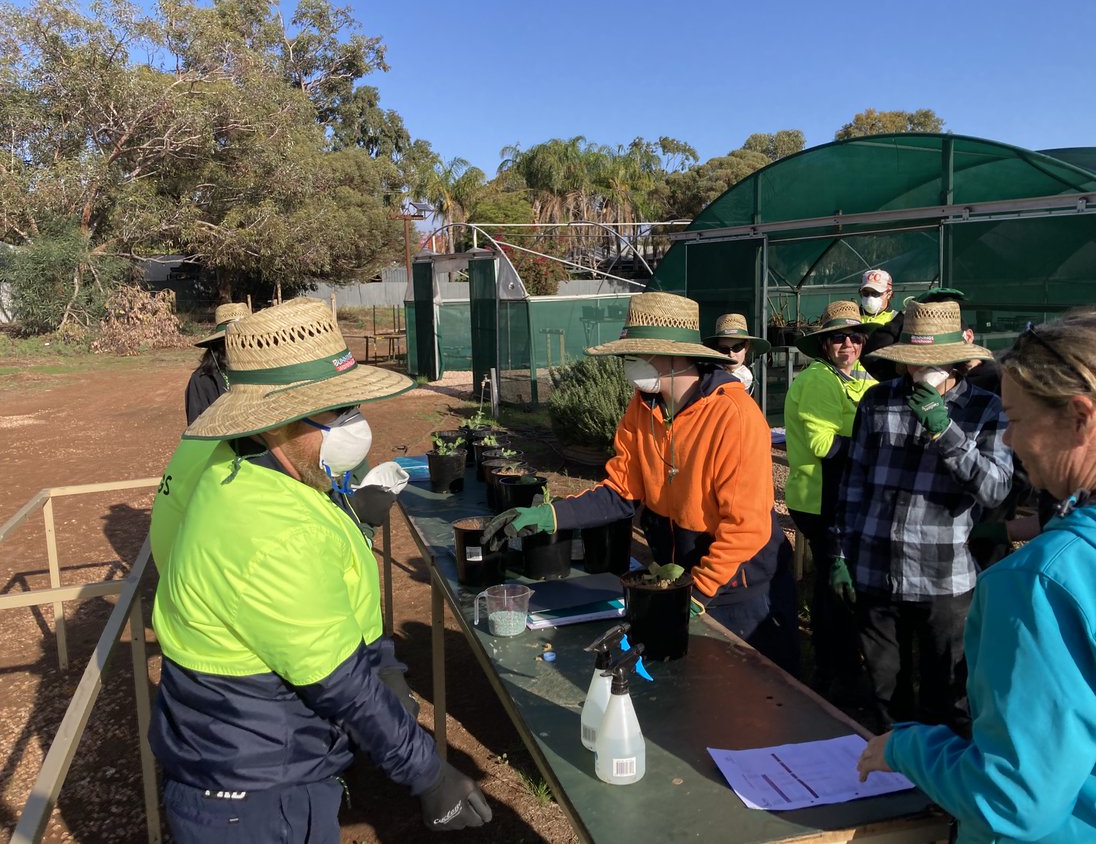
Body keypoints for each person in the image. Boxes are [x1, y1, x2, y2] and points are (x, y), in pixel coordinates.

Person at [149, 297, 491, 842]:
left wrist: (382, 659)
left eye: (352, 406)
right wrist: (429, 774)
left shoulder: (250, 471)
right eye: (336, 412)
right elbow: (342, 687)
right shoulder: (275, 531)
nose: (354, 425)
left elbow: (326, 591)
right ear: (276, 421)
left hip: (240, 750)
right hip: (257, 791)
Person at [858, 313, 1096, 842]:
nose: (1010, 439)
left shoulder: (1049, 581)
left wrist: (908, 748)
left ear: (1080, 417)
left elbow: (1013, 800)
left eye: (1016, 420)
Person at [482, 292, 801, 676]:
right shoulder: (643, 406)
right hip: (682, 572)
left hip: (740, 586)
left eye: (634, 355)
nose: (627, 365)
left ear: (672, 355)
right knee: (689, 690)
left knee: (753, 701)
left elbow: (746, 528)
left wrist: (695, 593)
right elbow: (620, 490)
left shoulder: (734, 415)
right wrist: (549, 515)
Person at [832, 299, 1011, 734]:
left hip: (943, 576)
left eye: (930, 362)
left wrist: (944, 430)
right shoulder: (878, 401)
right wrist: (840, 551)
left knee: (947, 692)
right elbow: (854, 482)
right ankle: (892, 776)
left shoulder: (985, 410)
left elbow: (994, 488)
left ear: (956, 362)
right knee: (885, 689)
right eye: (912, 362)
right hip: (876, 567)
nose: (920, 372)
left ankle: (942, 788)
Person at [783, 301, 875, 694]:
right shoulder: (820, 380)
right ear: (824, 345)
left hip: (842, 495)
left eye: (855, 337)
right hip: (820, 498)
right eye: (839, 338)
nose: (848, 344)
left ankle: (838, 663)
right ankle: (832, 671)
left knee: (838, 582)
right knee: (833, 585)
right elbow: (823, 444)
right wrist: (880, 451)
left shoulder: (861, 378)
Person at [185, 302, 250, 424]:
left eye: (245, 340)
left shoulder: (264, 371)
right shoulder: (202, 380)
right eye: (233, 341)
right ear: (219, 344)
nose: (242, 346)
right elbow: (198, 429)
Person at [702, 312, 771, 395]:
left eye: (737, 347)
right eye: (724, 349)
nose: (731, 354)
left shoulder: (746, 377)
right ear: (717, 349)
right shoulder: (707, 378)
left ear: (746, 347)